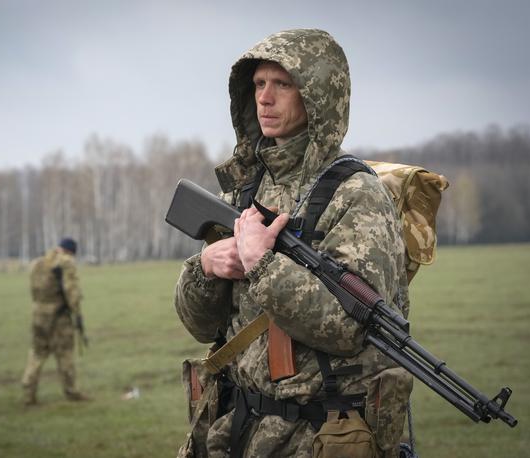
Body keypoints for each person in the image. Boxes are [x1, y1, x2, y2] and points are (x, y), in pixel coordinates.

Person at [174, 29, 412, 457]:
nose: (265, 98)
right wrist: (206, 266)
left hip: (318, 436)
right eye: (259, 84)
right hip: (238, 430)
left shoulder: (357, 194)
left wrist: (262, 265)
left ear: (317, 95)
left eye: (282, 84)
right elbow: (201, 327)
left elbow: (350, 327)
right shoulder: (247, 186)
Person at [21, 237, 88, 405]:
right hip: (59, 317)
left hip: (38, 315)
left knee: (37, 352)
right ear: (71, 252)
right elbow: (71, 290)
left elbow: (34, 290)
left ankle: (28, 391)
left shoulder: (38, 262)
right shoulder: (66, 262)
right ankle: (71, 391)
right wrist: (77, 313)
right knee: (65, 354)